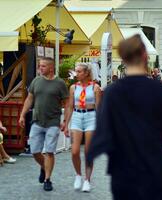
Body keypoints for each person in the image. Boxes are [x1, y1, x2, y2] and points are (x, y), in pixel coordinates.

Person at [86, 34, 162, 200]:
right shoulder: (160, 90)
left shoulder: (112, 93)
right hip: (156, 170)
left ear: (122, 58)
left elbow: (103, 130)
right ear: (145, 55)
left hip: (122, 173)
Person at [19, 57, 69, 191]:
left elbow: (67, 104)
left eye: (43, 66)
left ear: (51, 68)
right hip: (37, 121)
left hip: (53, 122)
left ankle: (48, 179)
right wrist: (22, 114)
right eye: (39, 66)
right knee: (35, 152)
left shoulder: (60, 84)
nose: (40, 69)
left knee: (49, 152)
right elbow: (29, 99)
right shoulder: (36, 81)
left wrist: (65, 121)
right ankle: (43, 166)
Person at [63, 63, 101, 192]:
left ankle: (87, 179)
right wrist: (66, 124)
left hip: (91, 117)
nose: (76, 73)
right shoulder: (73, 87)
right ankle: (78, 175)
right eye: (76, 71)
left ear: (86, 73)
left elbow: (99, 108)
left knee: (88, 152)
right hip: (77, 117)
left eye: (79, 71)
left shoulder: (95, 87)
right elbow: (69, 106)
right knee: (74, 151)